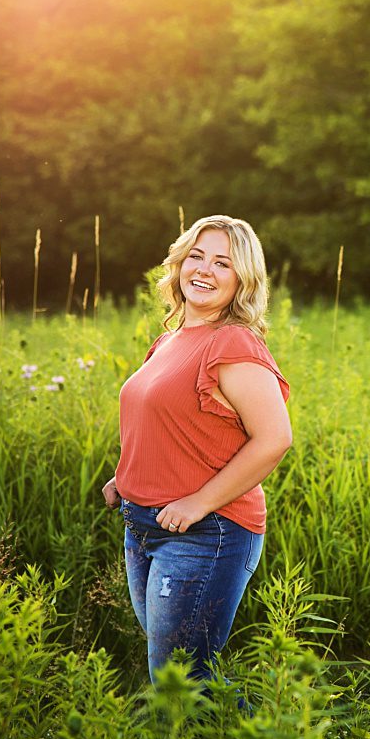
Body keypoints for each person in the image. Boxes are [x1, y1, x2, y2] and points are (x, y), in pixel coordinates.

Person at [101, 215, 293, 684]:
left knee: (180, 682)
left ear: (242, 279)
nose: (204, 270)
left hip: (205, 532)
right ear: (179, 263)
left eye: (222, 263)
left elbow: (274, 439)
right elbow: (168, 423)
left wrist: (197, 503)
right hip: (143, 523)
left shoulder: (234, 343)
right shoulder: (170, 340)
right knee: (185, 676)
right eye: (197, 256)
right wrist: (124, 477)